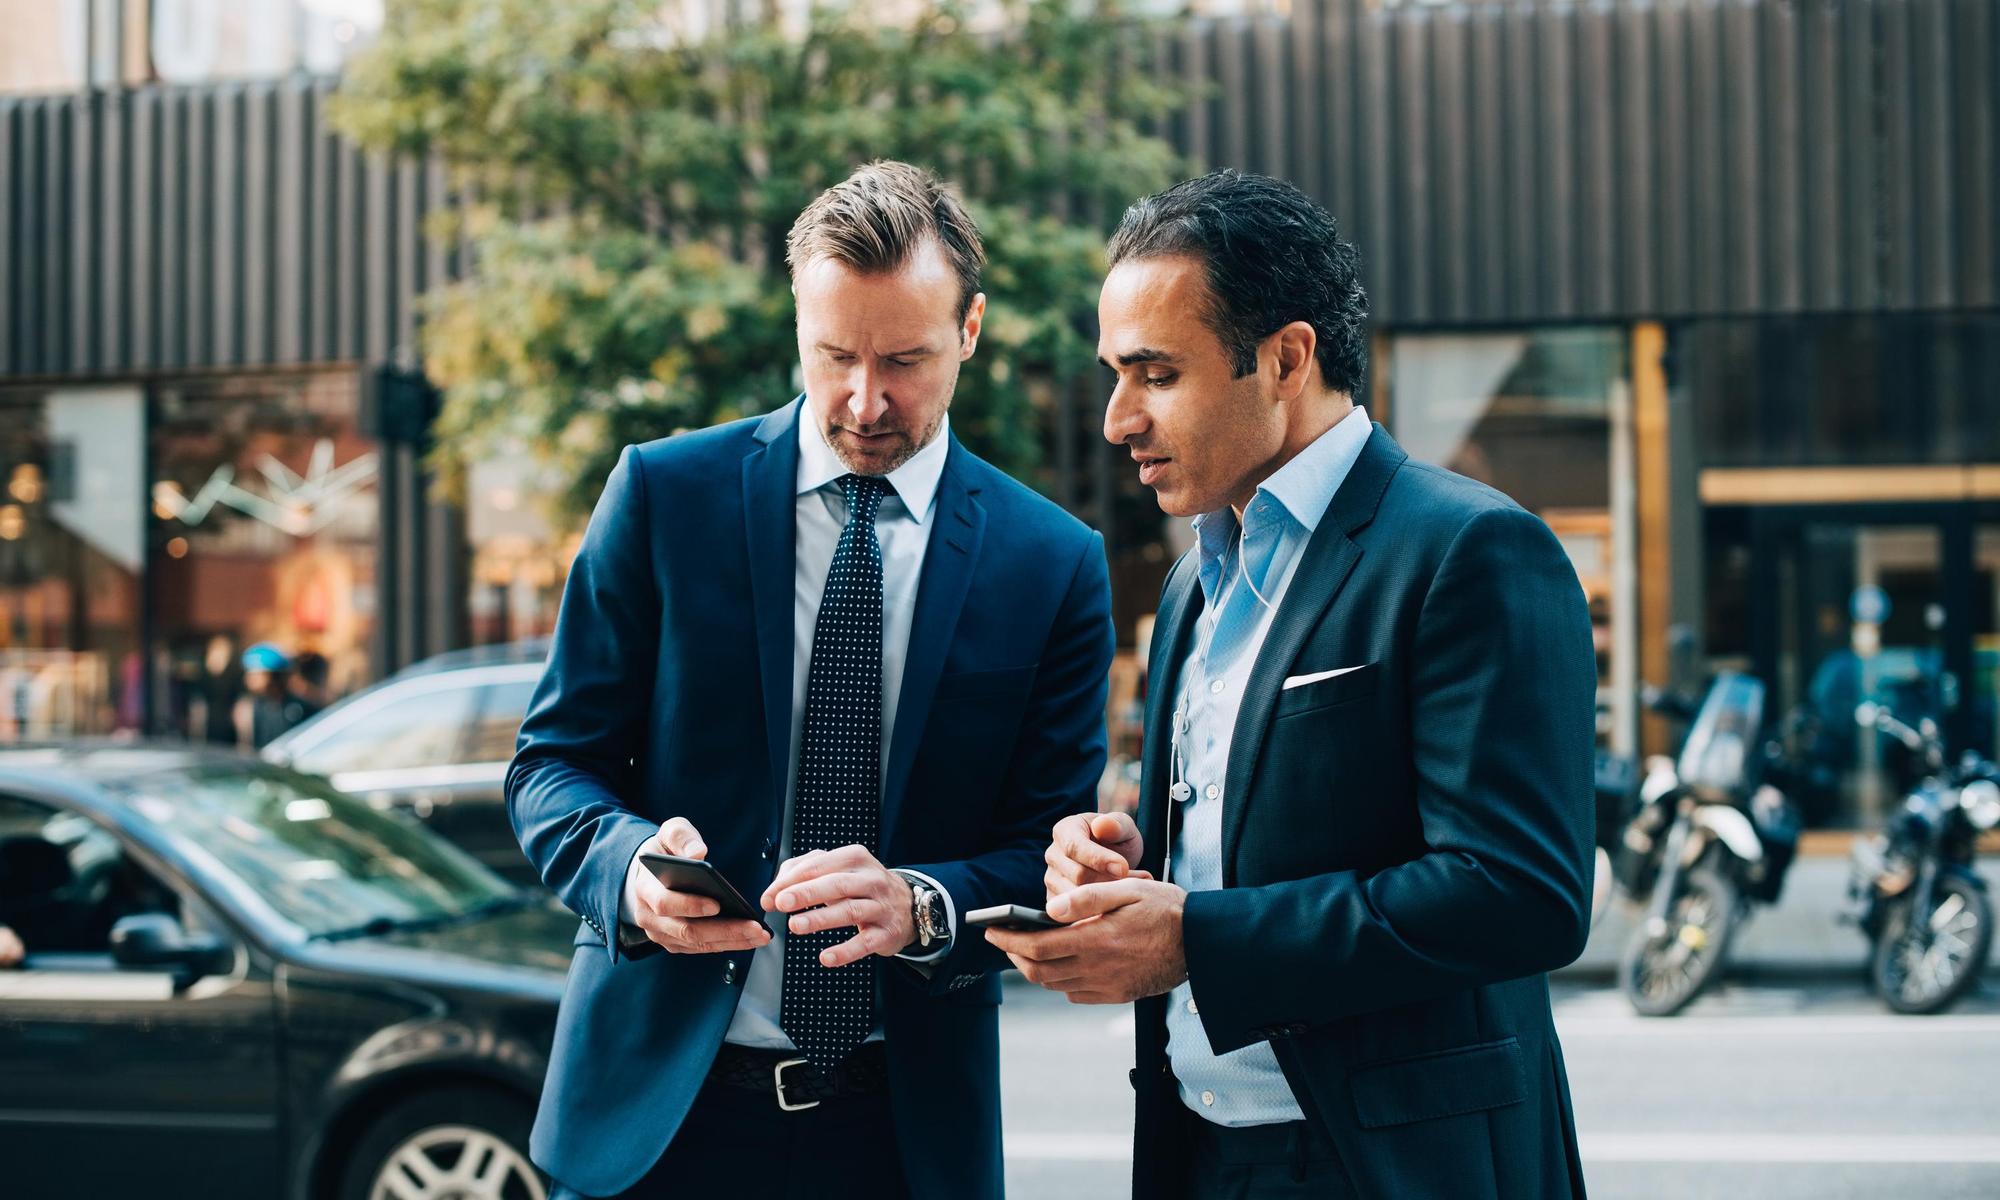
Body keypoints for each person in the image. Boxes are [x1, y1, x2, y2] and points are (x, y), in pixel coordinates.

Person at [507, 160, 1115, 1200]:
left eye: (905, 361)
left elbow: (1043, 854)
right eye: (833, 354)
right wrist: (628, 870)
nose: (863, 400)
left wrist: (921, 904)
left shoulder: (1052, 562)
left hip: (900, 1135)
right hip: (658, 1126)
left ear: (969, 330)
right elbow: (549, 766)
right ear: (796, 317)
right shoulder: (662, 495)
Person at [987, 171, 1596, 1199]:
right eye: (1112, 375)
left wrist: (1192, 938)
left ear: (1284, 358)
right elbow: (1250, 835)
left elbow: (1521, 894)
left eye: (1153, 374)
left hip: (1394, 1165)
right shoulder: (1190, 585)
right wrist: (1126, 855)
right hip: (1200, 1152)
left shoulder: (1468, 550)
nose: (1114, 420)